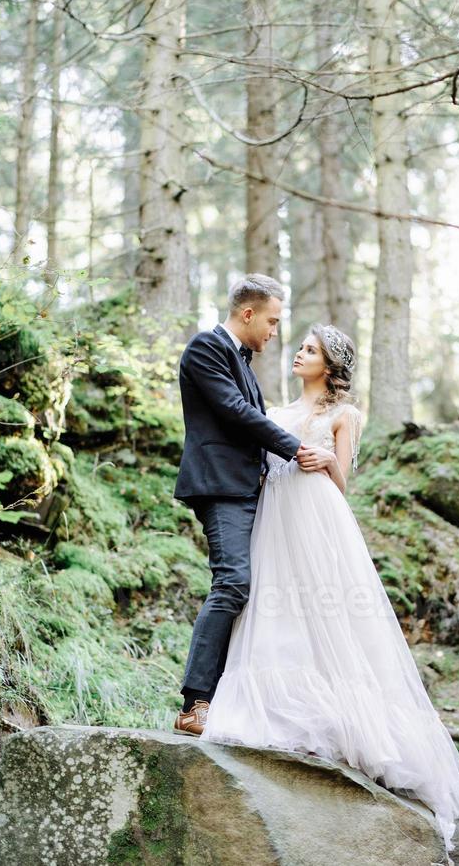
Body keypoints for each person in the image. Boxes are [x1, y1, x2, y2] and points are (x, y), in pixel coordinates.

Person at [199, 323, 459, 852]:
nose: (297, 353)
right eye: (299, 346)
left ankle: (352, 721)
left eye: (309, 350)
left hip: (318, 517)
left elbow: (344, 482)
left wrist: (325, 460)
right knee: (272, 607)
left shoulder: (344, 415)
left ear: (330, 364)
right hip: (273, 518)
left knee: (327, 612)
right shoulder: (275, 413)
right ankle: (270, 707)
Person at [172, 273, 318, 734]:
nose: (276, 332)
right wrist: (296, 447)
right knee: (233, 582)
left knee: (258, 592)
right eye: (272, 321)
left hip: (251, 487)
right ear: (248, 313)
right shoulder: (205, 348)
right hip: (221, 486)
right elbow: (236, 412)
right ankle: (195, 703)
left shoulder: (243, 359)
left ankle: (236, 702)